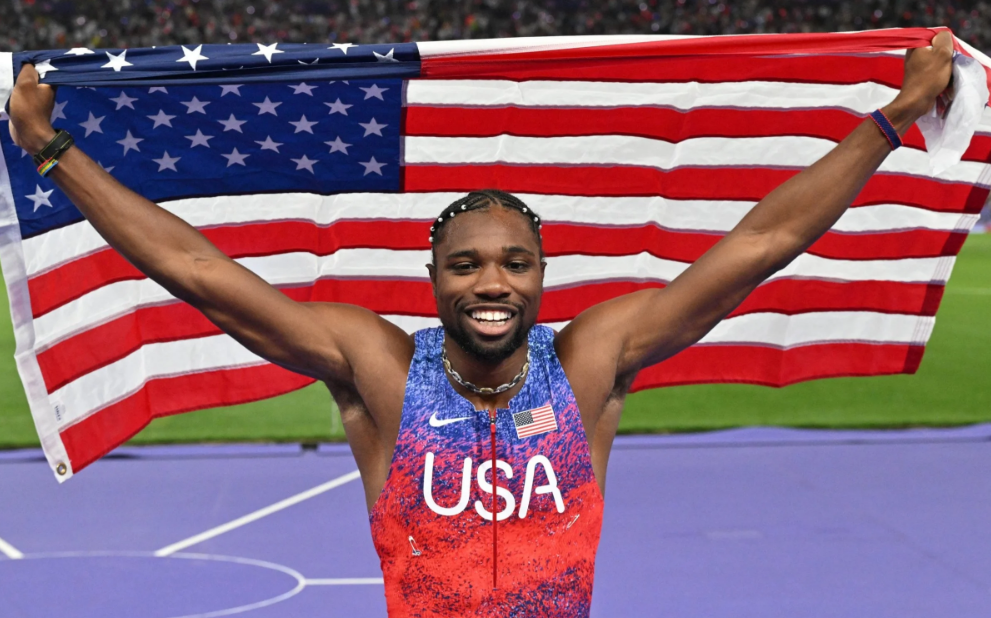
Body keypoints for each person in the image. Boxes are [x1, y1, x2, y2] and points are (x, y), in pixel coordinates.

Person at [7, 32, 953, 617]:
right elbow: (197, 272)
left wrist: (896, 116)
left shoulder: (592, 358)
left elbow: (764, 239)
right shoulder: (377, 367)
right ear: (432, 278)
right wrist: (52, 149)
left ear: (544, 277)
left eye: (513, 263)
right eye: (465, 265)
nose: (489, 282)